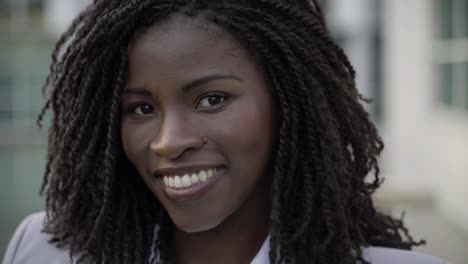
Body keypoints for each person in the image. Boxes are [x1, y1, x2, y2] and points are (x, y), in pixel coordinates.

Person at [2, 0, 449, 264]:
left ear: (289, 103)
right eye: (140, 108)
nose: (168, 141)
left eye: (212, 99)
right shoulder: (42, 251)